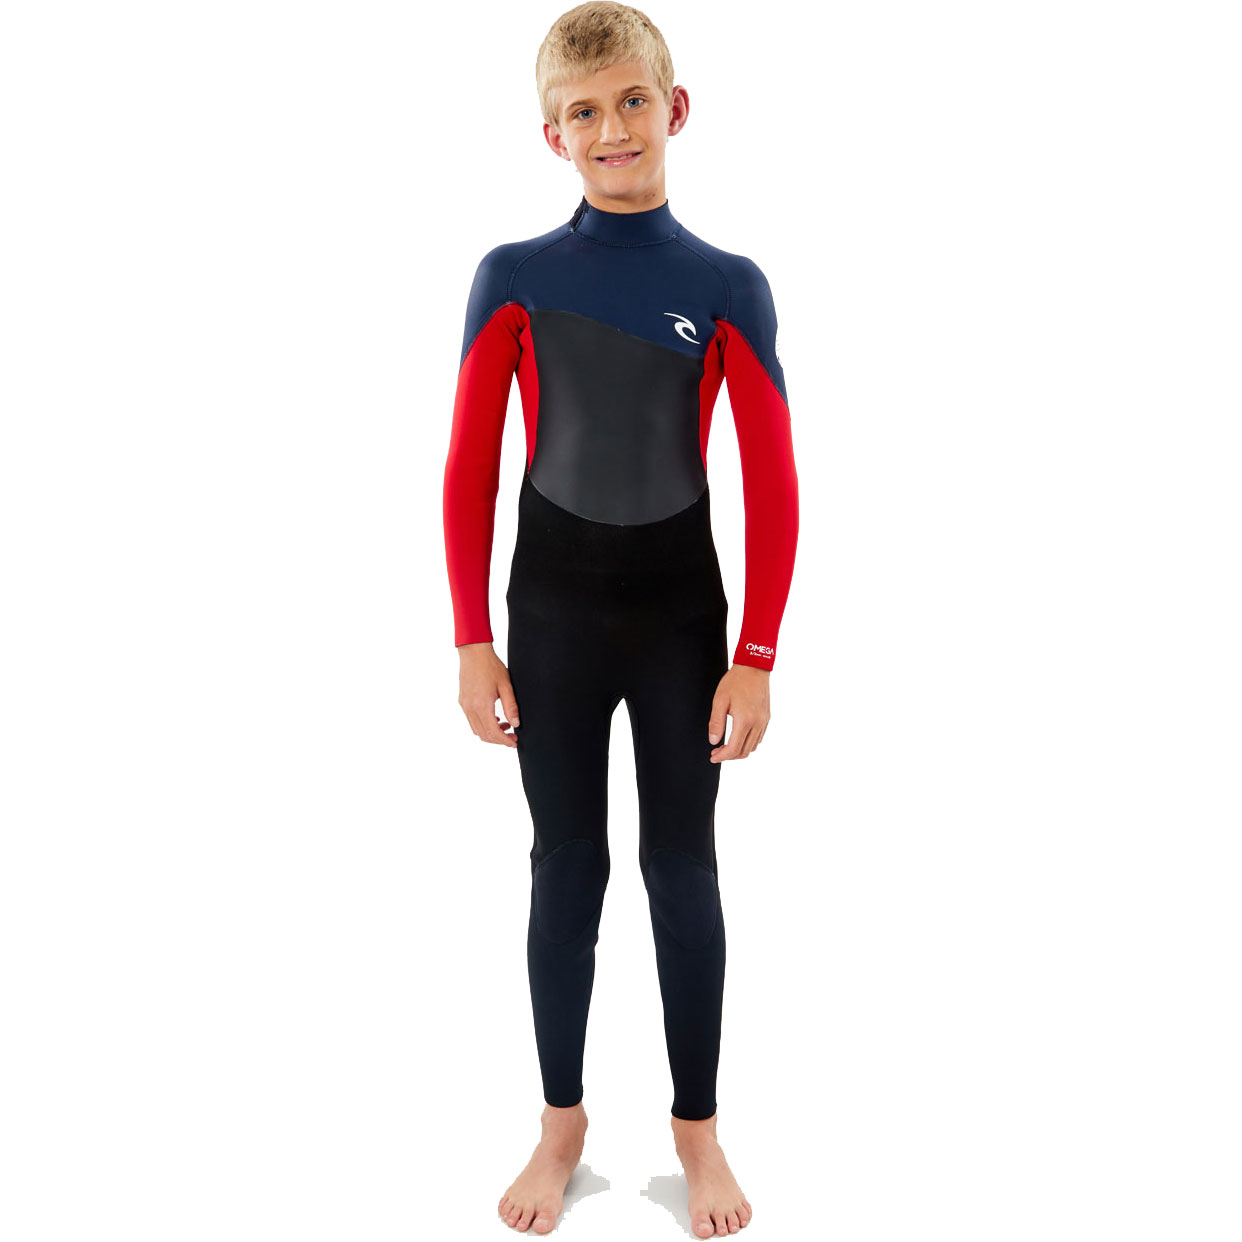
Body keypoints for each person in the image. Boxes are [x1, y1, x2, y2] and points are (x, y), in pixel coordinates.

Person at [442, 3, 799, 1235]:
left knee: (681, 866)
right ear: (553, 135)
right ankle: (562, 1126)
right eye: (584, 112)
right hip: (550, 613)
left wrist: (756, 655)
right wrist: (471, 638)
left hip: (679, 617)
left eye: (633, 101)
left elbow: (773, 478)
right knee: (566, 866)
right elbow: (468, 467)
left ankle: (697, 1132)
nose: (613, 129)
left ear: (674, 108)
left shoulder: (727, 286)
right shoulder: (515, 277)